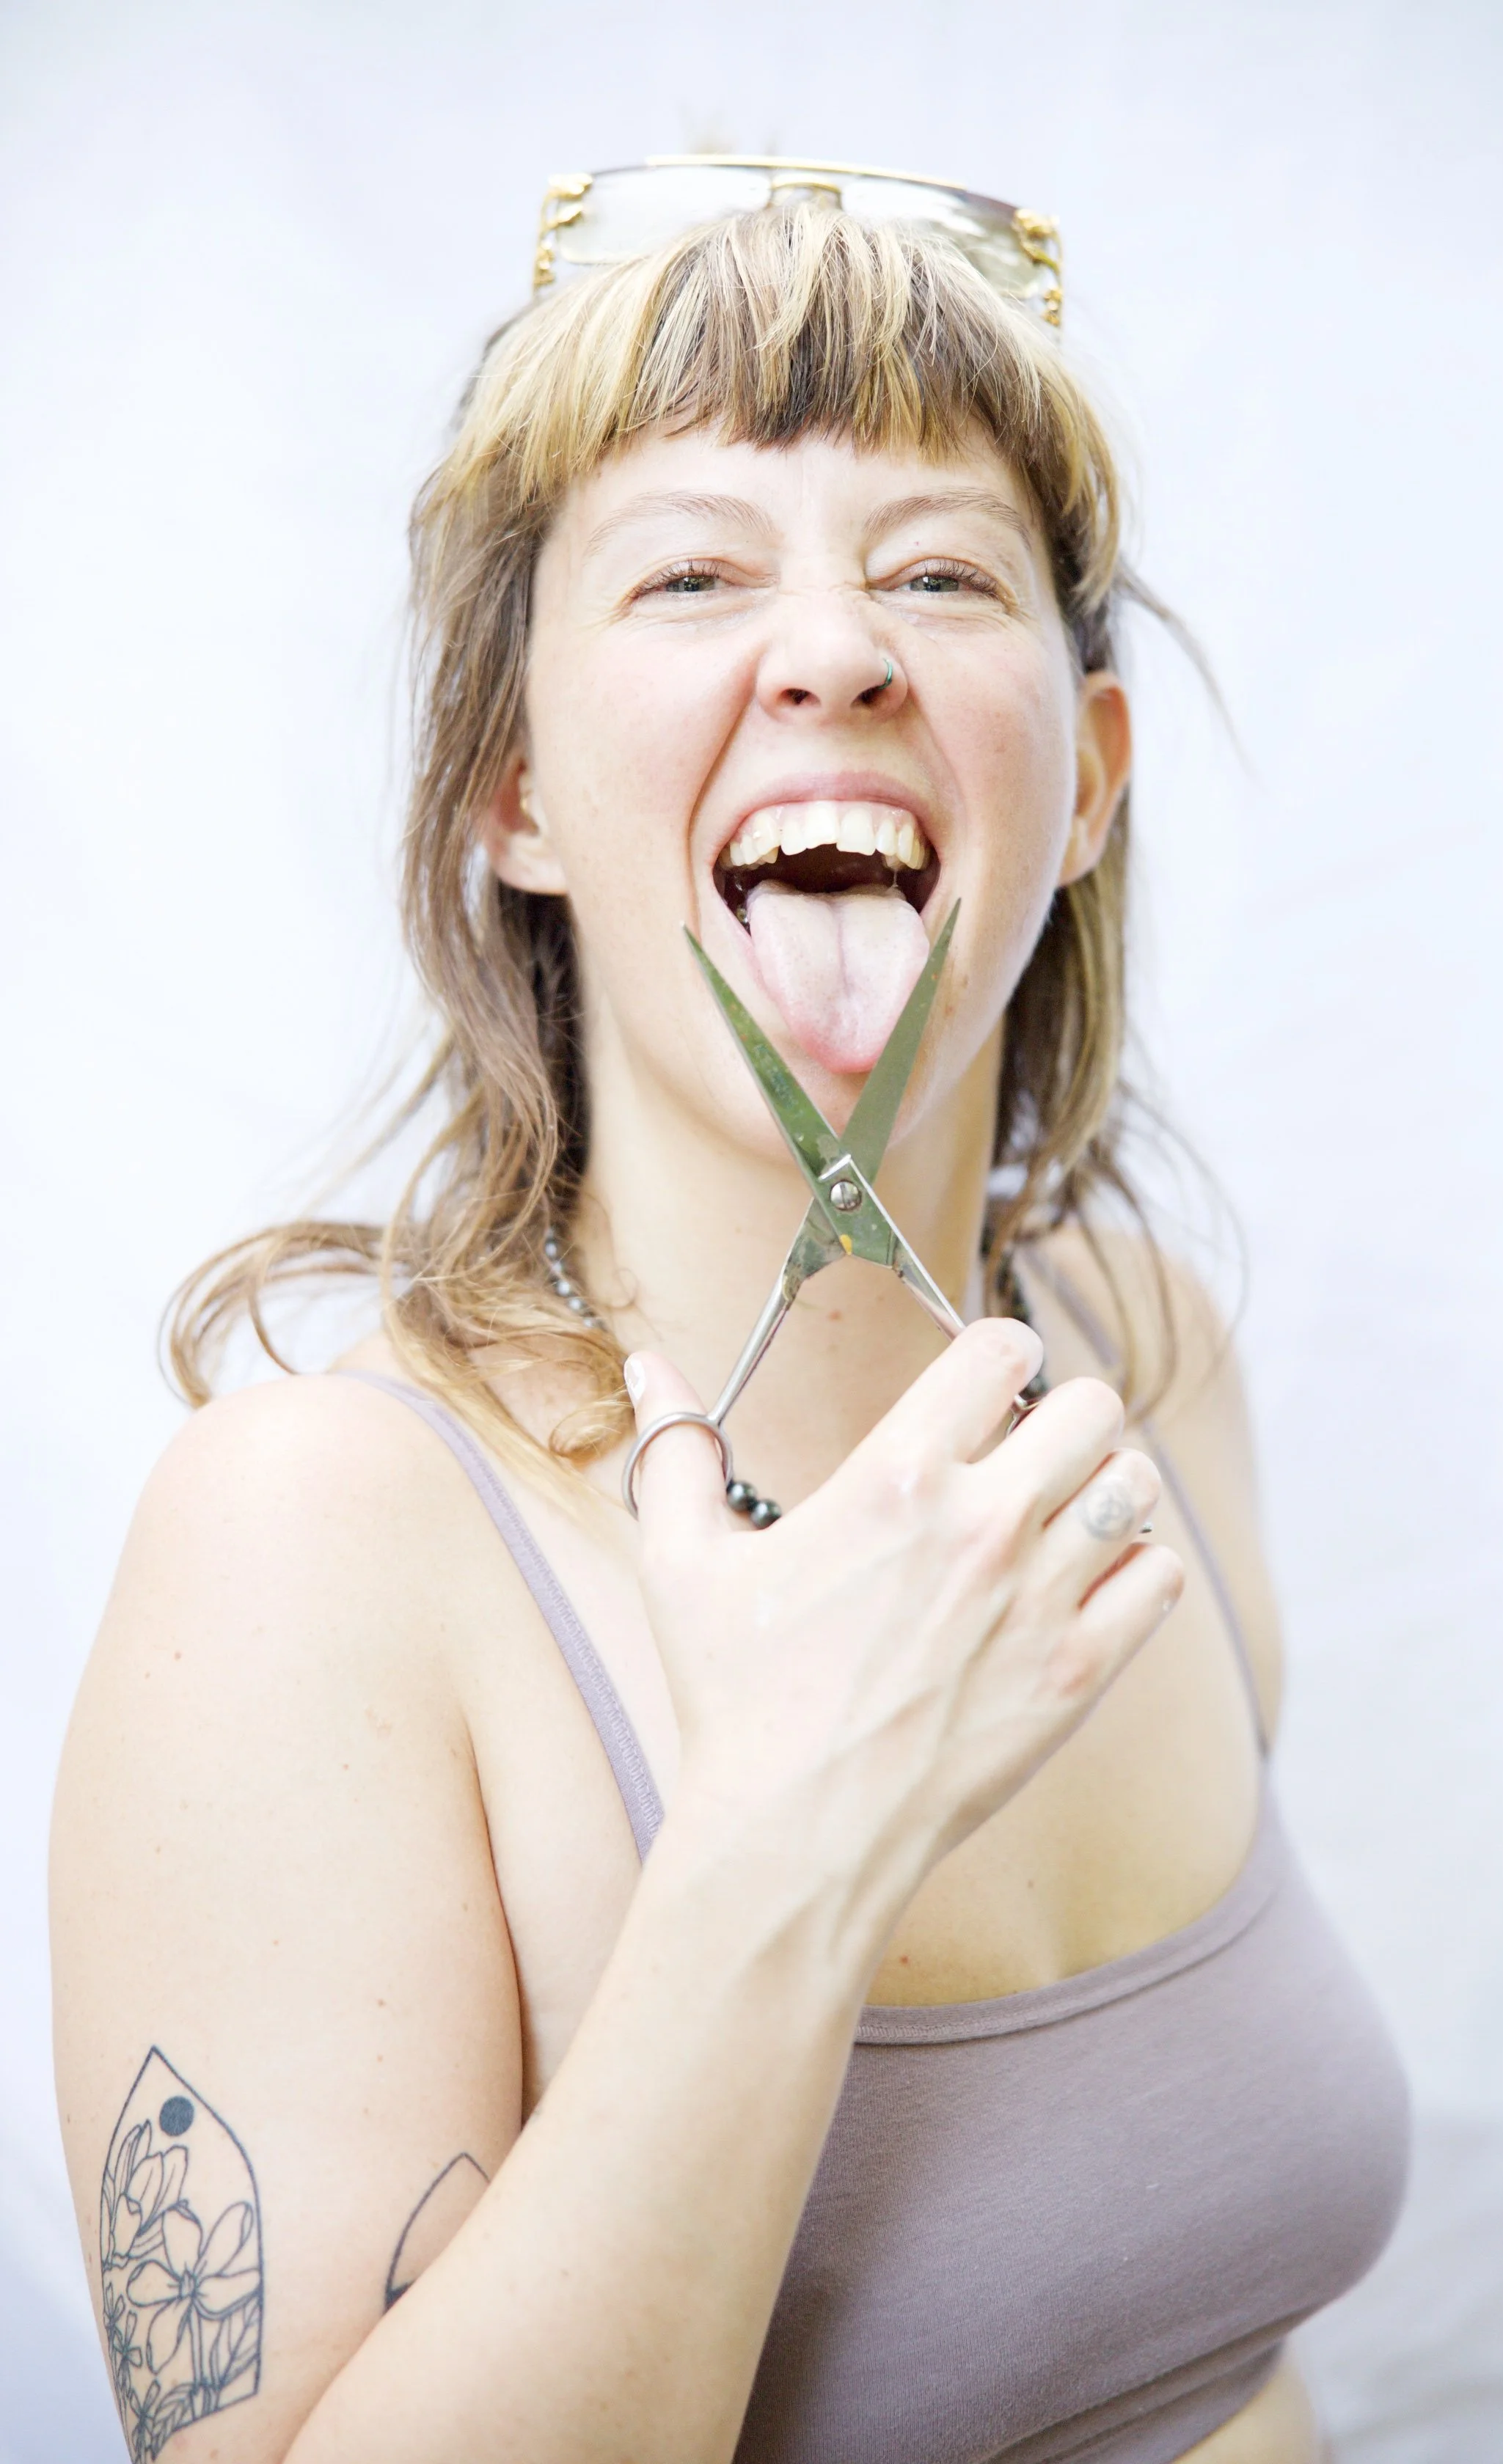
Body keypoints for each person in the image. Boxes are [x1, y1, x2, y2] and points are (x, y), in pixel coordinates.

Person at [51, 163, 1408, 2464]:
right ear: (516, 796)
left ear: (1079, 786)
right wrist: (780, 1844)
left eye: (939, 573)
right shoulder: (313, 1548)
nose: (839, 652)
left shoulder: (1149, 1363)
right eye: (693, 572)